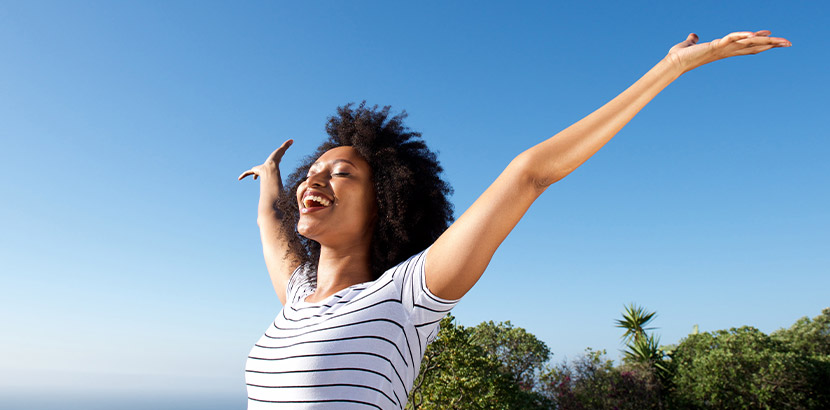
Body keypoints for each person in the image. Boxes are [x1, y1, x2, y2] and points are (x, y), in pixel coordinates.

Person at [238, 30, 790, 409]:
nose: (314, 178)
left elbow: (529, 174)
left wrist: (672, 66)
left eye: (342, 174)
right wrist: (270, 177)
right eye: (312, 171)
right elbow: (270, 225)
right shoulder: (297, 295)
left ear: (384, 203)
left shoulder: (404, 298)